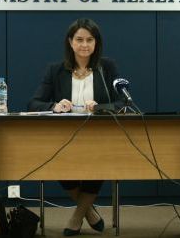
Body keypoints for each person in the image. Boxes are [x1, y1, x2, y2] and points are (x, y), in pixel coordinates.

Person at [28, 18, 119, 236]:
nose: (84, 45)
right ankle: (89, 212)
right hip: (64, 136)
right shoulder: (55, 70)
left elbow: (122, 102)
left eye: (90, 40)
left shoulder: (106, 68)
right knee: (56, 159)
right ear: (70, 42)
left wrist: (100, 107)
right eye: (79, 39)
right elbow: (33, 103)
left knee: (100, 160)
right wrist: (55, 106)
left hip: (99, 136)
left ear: (96, 43)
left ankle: (77, 217)